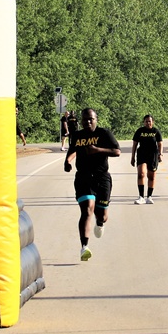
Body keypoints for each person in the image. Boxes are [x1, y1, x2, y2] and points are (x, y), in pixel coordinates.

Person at [64, 108, 121, 261]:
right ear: (81, 121)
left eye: (91, 119)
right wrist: (68, 161)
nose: (88, 122)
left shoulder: (104, 133)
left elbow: (117, 151)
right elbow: (72, 150)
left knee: (101, 215)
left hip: (102, 178)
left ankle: (100, 222)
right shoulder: (77, 135)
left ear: (96, 119)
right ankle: (84, 247)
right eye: (85, 119)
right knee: (87, 209)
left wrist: (97, 150)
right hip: (83, 177)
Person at [130, 114, 162, 204]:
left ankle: (149, 197)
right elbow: (135, 144)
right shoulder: (140, 131)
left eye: (149, 121)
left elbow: (160, 143)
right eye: (146, 121)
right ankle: (141, 196)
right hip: (142, 154)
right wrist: (132, 157)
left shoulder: (156, 131)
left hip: (153, 155)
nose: (148, 123)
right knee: (141, 174)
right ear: (144, 122)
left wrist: (160, 154)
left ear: (153, 122)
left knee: (151, 176)